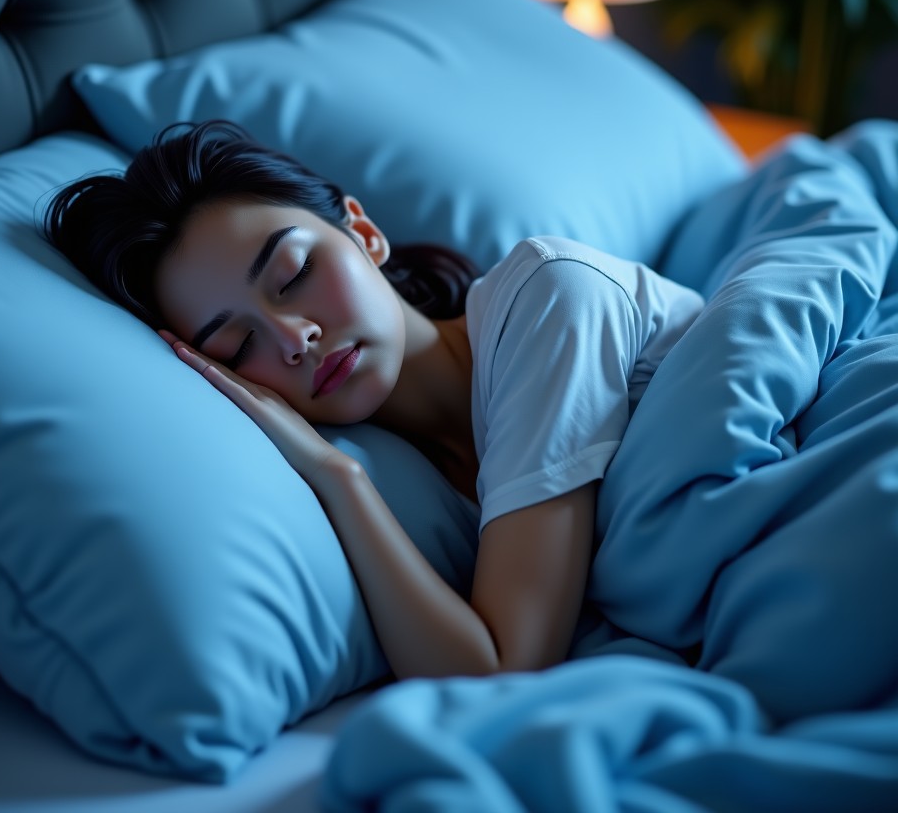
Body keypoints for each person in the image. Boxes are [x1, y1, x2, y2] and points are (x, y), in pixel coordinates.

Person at [45, 120, 704, 680]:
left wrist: (339, 479)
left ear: (362, 231)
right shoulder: (414, 474)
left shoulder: (550, 298)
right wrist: (334, 475)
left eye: (294, 274)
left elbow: (501, 668)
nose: (294, 339)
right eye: (239, 347)